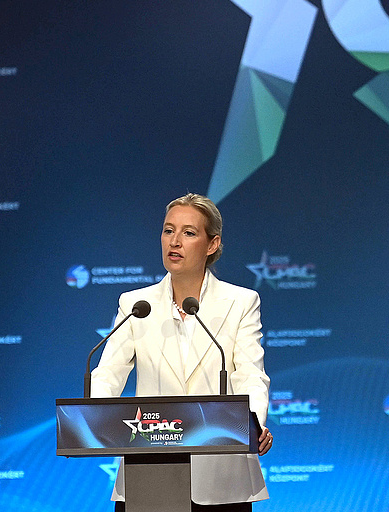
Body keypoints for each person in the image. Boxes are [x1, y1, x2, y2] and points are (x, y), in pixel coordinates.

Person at [91, 193, 274, 510]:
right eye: (168, 230)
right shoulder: (135, 304)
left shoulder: (241, 302)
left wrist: (253, 422)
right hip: (149, 472)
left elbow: (250, 375)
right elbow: (108, 374)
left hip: (220, 474)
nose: (174, 241)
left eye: (188, 233)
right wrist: (94, 418)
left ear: (212, 244)